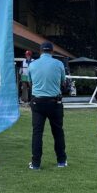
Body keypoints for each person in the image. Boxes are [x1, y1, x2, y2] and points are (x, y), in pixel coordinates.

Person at [27, 41, 67, 170]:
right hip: (55, 102)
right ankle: (61, 161)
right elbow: (63, 82)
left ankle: (36, 164)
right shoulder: (59, 64)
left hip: (37, 102)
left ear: (40, 51)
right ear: (52, 51)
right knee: (58, 132)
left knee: (37, 133)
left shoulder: (32, 65)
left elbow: (30, 82)